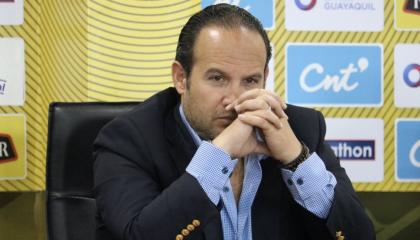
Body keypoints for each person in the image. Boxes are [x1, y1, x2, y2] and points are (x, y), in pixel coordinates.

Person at [93, 4, 375, 240]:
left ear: (265, 76)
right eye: (217, 79)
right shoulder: (129, 139)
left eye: (250, 81)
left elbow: (360, 235)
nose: (235, 100)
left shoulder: (300, 128)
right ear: (181, 77)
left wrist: (296, 159)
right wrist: (220, 152)